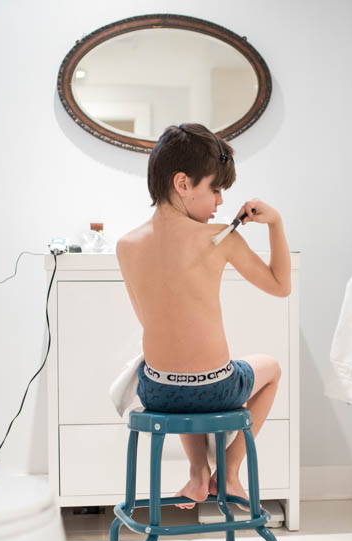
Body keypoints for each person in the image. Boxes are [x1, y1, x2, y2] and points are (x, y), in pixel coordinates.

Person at [115, 123, 291, 509]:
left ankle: (196, 477)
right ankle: (227, 473)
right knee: (272, 368)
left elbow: (147, 318)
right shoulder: (221, 237)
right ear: (182, 183)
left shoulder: (126, 245)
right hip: (216, 389)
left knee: (176, 379)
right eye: (215, 188)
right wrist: (275, 223)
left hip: (158, 393)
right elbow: (281, 285)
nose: (220, 202)